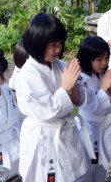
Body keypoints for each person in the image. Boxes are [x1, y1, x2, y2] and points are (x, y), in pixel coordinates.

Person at [15, 13, 88, 182]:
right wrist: (66, 87)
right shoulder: (28, 74)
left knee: (69, 175)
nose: (58, 49)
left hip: (64, 131)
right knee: (42, 176)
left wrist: (74, 83)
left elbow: (79, 99)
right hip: (42, 134)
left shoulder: (60, 65)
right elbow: (46, 110)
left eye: (60, 43)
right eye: (52, 45)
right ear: (37, 44)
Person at [76, 36, 111, 182]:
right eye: (99, 60)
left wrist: (110, 88)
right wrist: (104, 88)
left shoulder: (104, 73)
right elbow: (92, 105)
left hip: (104, 126)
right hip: (88, 127)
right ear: (87, 58)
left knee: (102, 166)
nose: (104, 63)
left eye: (106, 58)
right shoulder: (81, 78)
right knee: (85, 165)